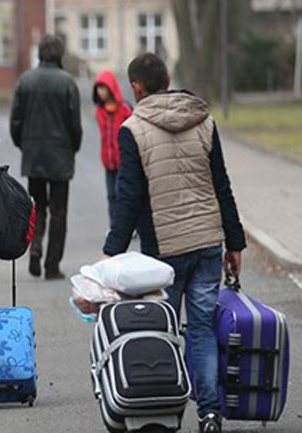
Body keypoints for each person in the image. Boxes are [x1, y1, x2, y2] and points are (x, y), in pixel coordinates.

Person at [102, 53, 245, 433]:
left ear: (136, 87)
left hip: (163, 252)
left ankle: (166, 411)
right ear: (167, 79)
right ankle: (210, 413)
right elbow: (222, 185)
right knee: (201, 330)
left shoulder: (132, 129)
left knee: (163, 332)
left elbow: (128, 197)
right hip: (207, 242)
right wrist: (235, 242)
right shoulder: (203, 120)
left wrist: (112, 252)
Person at [10, 34, 82, 280]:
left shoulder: (25, 81)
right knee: (59, 211)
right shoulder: (67, 83)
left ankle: (36, 246)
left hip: (34, 154)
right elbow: (75, 124)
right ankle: (52, 265)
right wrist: (73, 147)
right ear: (60, 54)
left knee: (37, 207)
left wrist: (24, 144)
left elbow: (15, 121)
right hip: (61, 154)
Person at [92, 70, 133, 225]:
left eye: (103, 88)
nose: (100, 92)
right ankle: (114, 225)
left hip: (123, 160)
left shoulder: (124, 110)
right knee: (111, 195)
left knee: (123, 194)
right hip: (108, 162)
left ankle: (128, 224)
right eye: (98, 88)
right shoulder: (100, 112)